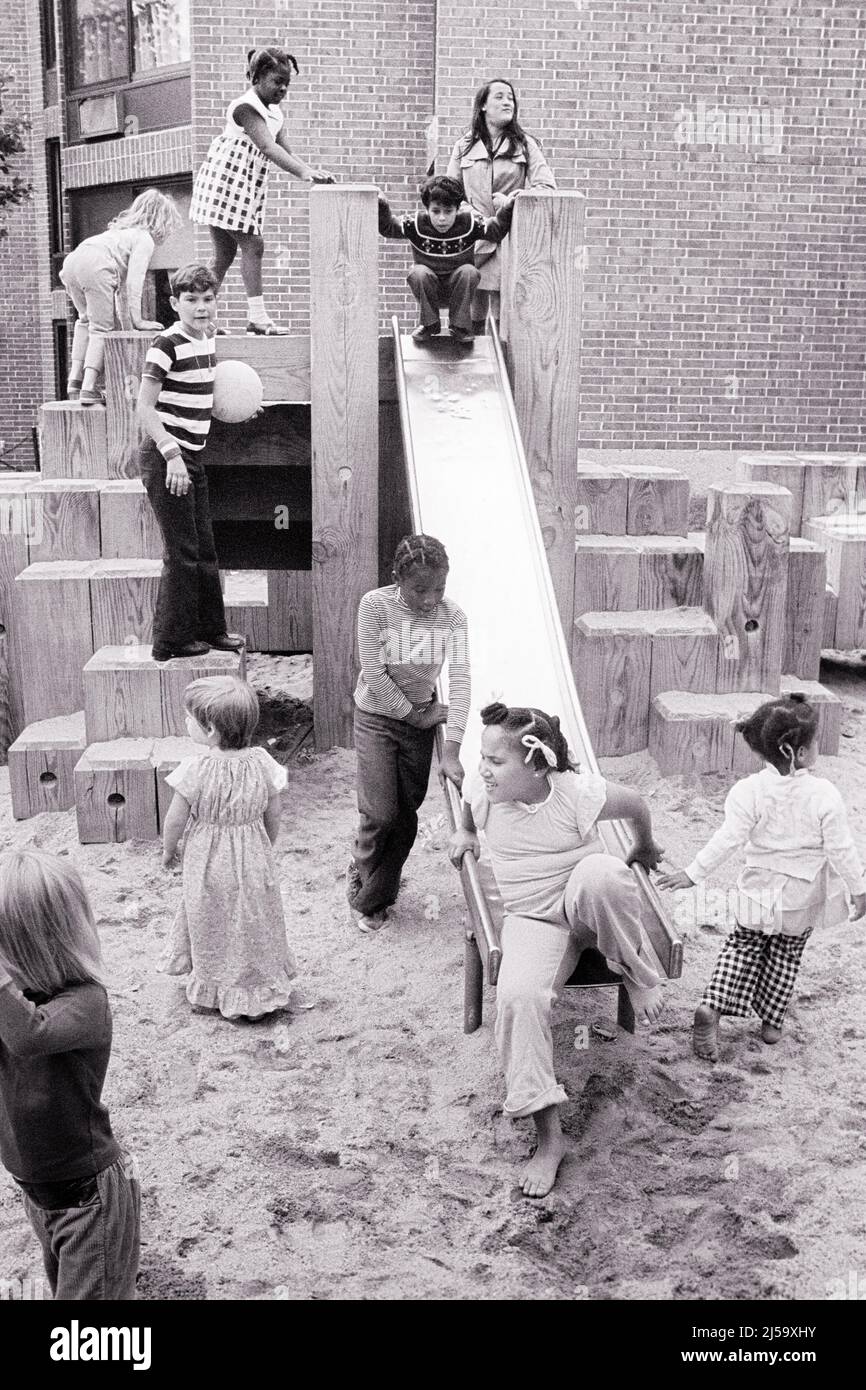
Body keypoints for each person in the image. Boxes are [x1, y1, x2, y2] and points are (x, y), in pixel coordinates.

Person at [449, 702, 664, 1199]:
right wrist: (464, 830)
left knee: (605, 874)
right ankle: (550, 1139)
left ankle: (632, 970)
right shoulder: (484, 789)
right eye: (483, 757)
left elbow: (634, 803)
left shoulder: (574, 793)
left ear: (538, 765)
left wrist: (645, 846)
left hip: (584, 901)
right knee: (518, 998)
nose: (483, 768)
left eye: (497, 761)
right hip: (532, 917)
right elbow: (468, 799)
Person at [658, 694, 866, 1061]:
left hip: (757, 886)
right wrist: (859, 889)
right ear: (797, 752)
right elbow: (842, 851)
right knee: (786, 953)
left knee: (742, 946)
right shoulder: (824, 795)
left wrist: (694, 873)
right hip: (801, 894)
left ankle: (713, 1005)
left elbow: (728, 838)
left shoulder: (748, 791)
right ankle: (771, 1022)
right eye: (815, 742)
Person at [0, 850, 140, 1300]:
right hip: (38, 1193)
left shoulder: (87, 1003)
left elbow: (28, 1037)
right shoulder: (15, 1001)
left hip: (89, 1198)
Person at [160, 675, 304, 1021]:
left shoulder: (196, 769)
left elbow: (175, 819)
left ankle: (211, 988)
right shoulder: (262, 763)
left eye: (190, 718)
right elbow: (274, 813)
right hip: (253, 855)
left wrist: (169, 850)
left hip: (207, 862)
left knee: (209, 919)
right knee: (254, 921)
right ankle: (255, 991)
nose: (185, 722)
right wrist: (264, 845)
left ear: (210, 731)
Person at [348, 534, 470, 933]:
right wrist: (413, 715)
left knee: (405, 816)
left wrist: (450, 751)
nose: (430, 598)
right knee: (379, 813)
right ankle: (367, 892)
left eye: (439, 588)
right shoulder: (375, 606)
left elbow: (461, 681)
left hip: (419, 723)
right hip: (377, 717)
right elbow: (375, 674)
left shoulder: (452, 617)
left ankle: (378, 887)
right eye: (420, 589)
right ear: (397, 579)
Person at [136, 262, 245, 663]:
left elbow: (207, 395)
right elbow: (145, 408)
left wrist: (242, 406)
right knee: (181, 551)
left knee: (206, 549)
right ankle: (170, 641)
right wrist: (172, 456)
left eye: (208, 298)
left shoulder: (206, 338)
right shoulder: (167, 343)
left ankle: (210, 630)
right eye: (191, 300)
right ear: (174, 303)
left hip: (192, 457)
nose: (201, 307)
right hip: (167, 458)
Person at [190, 45, 335, 334]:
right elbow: (267, 147)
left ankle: (197, 320)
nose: (282, 89)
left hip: (245, 186)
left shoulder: (276, 112)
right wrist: (303, 172)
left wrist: (311, 171)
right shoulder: (245, 107)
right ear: (255, 77)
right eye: (276, 82)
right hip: (227, 182)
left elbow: (284, 148)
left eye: (286, 84)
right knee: (253, 245)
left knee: (223, 256)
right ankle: (257, 317)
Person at [446, 78, 556, 328]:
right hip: (473, 237)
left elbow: (546, 186)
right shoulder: (463, 146)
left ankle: (499, 353)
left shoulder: (525, 144)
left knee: (502, 304)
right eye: (499, 96)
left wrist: (513, 201)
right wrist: (468, 212)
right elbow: (449, 191)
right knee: (473, 299)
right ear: (483, 105)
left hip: (507, 239)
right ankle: (473, 350)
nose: (508, 102)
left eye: (511, 97)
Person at [60, 187, 181, 405]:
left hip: (72, 261)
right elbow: (134, 283)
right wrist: (138, 321)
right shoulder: (144, 238)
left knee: (85, 320)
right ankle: (89, 388)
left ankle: (75, 379)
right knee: (101, 329)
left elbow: (121, 293)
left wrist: (128, 326)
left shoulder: (119, 234)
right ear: (162, 220)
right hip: (96, 264)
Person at [377, 174, 517, 344]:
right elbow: (389, 227)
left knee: (469, 271)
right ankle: (430, 325)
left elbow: (495, 230)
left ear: (458, 209)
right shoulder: (415, 223)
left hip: (458, 290)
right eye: (435, 211)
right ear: (427, 209)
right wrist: (382, 206)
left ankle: (459, 326)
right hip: (430, 288)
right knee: (418, 272)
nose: (442, 218)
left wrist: (508, 207)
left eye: (448, 211)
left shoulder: (470, 222)